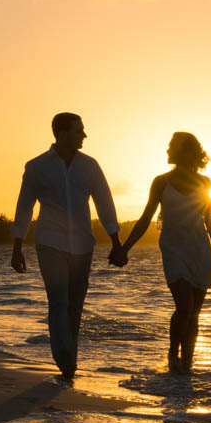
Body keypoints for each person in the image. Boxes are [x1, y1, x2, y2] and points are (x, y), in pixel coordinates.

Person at [9, 112, 127, 380]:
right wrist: (17, 248)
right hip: (50, 242)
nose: (84, 135)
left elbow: (105, 203)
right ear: (62, 134)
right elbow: (24, 207)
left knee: (75, 305)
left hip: (83, 244)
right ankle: (63, 357)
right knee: (58, 300)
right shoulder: (36, 167)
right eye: (78, 130)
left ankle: (70, 358)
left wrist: (116, 241)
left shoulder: (90, 166)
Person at [121, 132, 211, 375]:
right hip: (173, 249)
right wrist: (124, 248)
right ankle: (173, 357)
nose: (168, 150)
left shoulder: (205, 183)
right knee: (184, 306)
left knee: (195, 313)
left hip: (199, 250)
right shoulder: (161, 182)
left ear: (186, 151)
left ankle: (187, 365)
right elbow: (145, 218)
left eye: (172, 146)